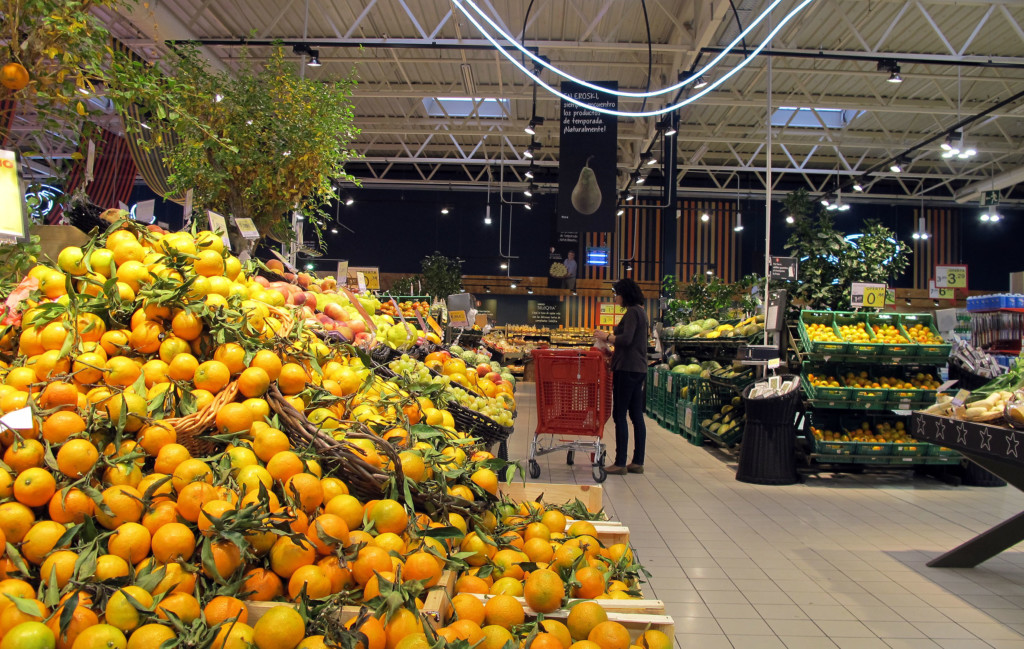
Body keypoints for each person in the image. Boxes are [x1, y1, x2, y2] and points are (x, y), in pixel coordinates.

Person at [594, 278, 648, 475]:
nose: (615, 298)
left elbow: (626, 339)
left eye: (617, 294)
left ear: (625, 294)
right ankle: (638, 461)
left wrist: (605, 337)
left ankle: (620, 462)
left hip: (627, 369)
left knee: (620, 415)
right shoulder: (641, 311)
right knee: (636, 415)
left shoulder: (632, 312)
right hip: (638, 368)